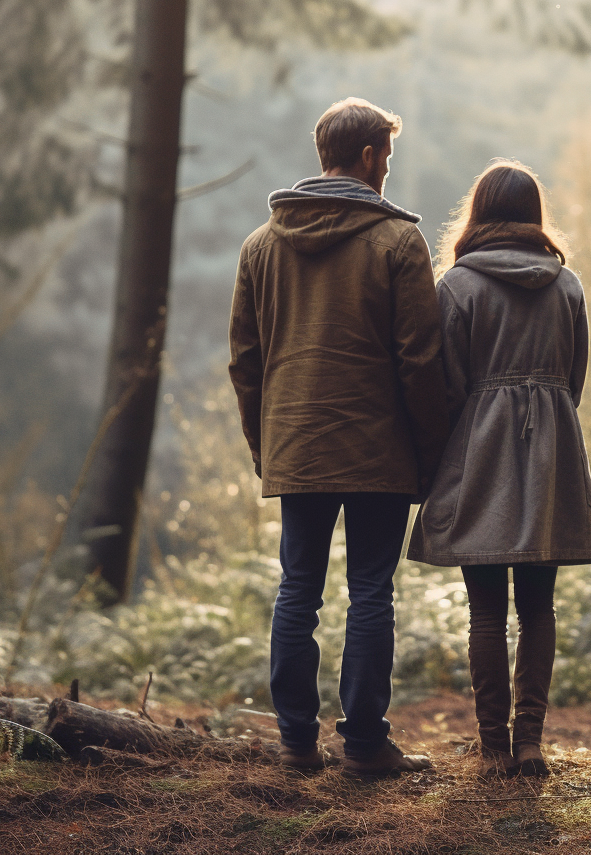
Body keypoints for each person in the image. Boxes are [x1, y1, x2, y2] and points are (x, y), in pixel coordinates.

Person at [228, 97, 450, 775]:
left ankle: (296, 743)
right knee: (371, 591)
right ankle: (363, 748)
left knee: (298, 588)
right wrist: (432, 450)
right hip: (378, 447)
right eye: (387, 155)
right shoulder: (397, 242)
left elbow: (245, 361)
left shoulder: (261, 245)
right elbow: (420, 359)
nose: (388, 169)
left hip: (297, 444)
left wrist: (266, 445)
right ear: (367, 156)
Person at [407, 159, 591, 778]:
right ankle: (530, 745)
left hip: (480, 452)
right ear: (535, 214)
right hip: (550, 454)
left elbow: (448, 383)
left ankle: (492, 743)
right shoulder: (567, 287)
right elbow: (575, 378)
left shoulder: (457, 287)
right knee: (538, 608)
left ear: (479, 212)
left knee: (485, 610)